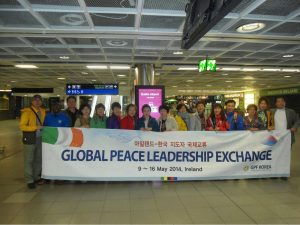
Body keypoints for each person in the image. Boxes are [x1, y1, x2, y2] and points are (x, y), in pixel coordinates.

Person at [19, 95, 46, 189]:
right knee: (29, 160)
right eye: (35, 100)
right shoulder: (27, 112)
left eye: (39, 100)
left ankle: (37, 177)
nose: (37, 102)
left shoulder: (43, 111)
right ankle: (29, 180)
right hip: (30, 138)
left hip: (40, 138)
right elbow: (22, 126)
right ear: (32, 102)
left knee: (38, 159)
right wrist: (35, 127)